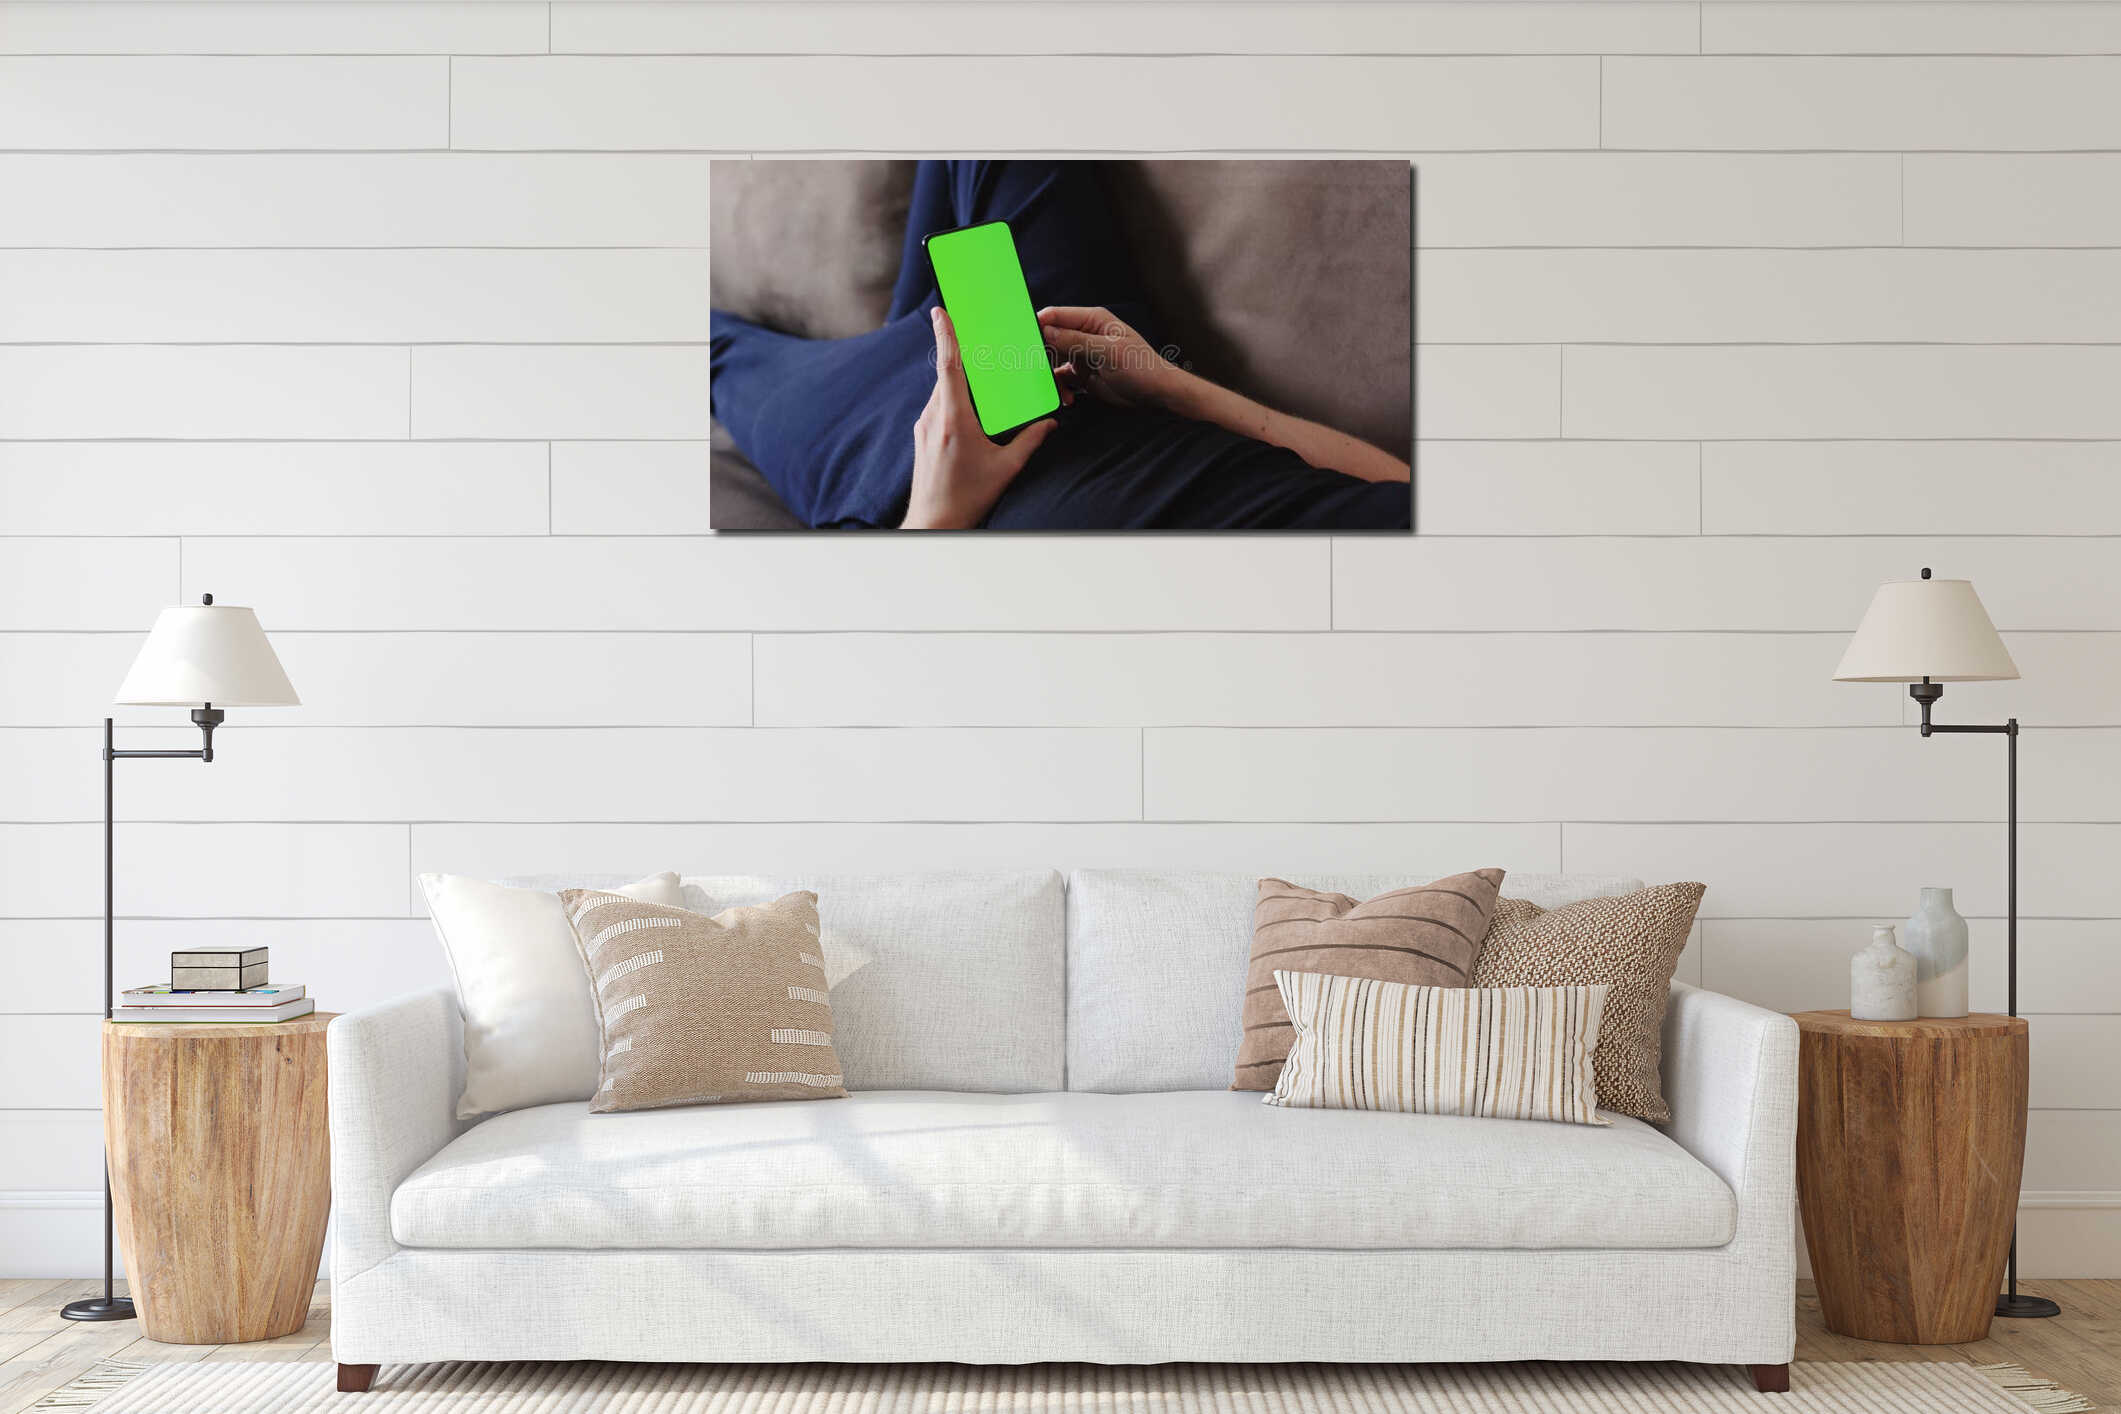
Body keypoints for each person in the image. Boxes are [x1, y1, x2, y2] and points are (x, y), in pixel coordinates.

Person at [709, 160, 1411, 531]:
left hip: (896, 466)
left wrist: (937, 517)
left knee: (708, 346)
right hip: (1090, 375)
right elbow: (1395, 482)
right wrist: (1174, 387)